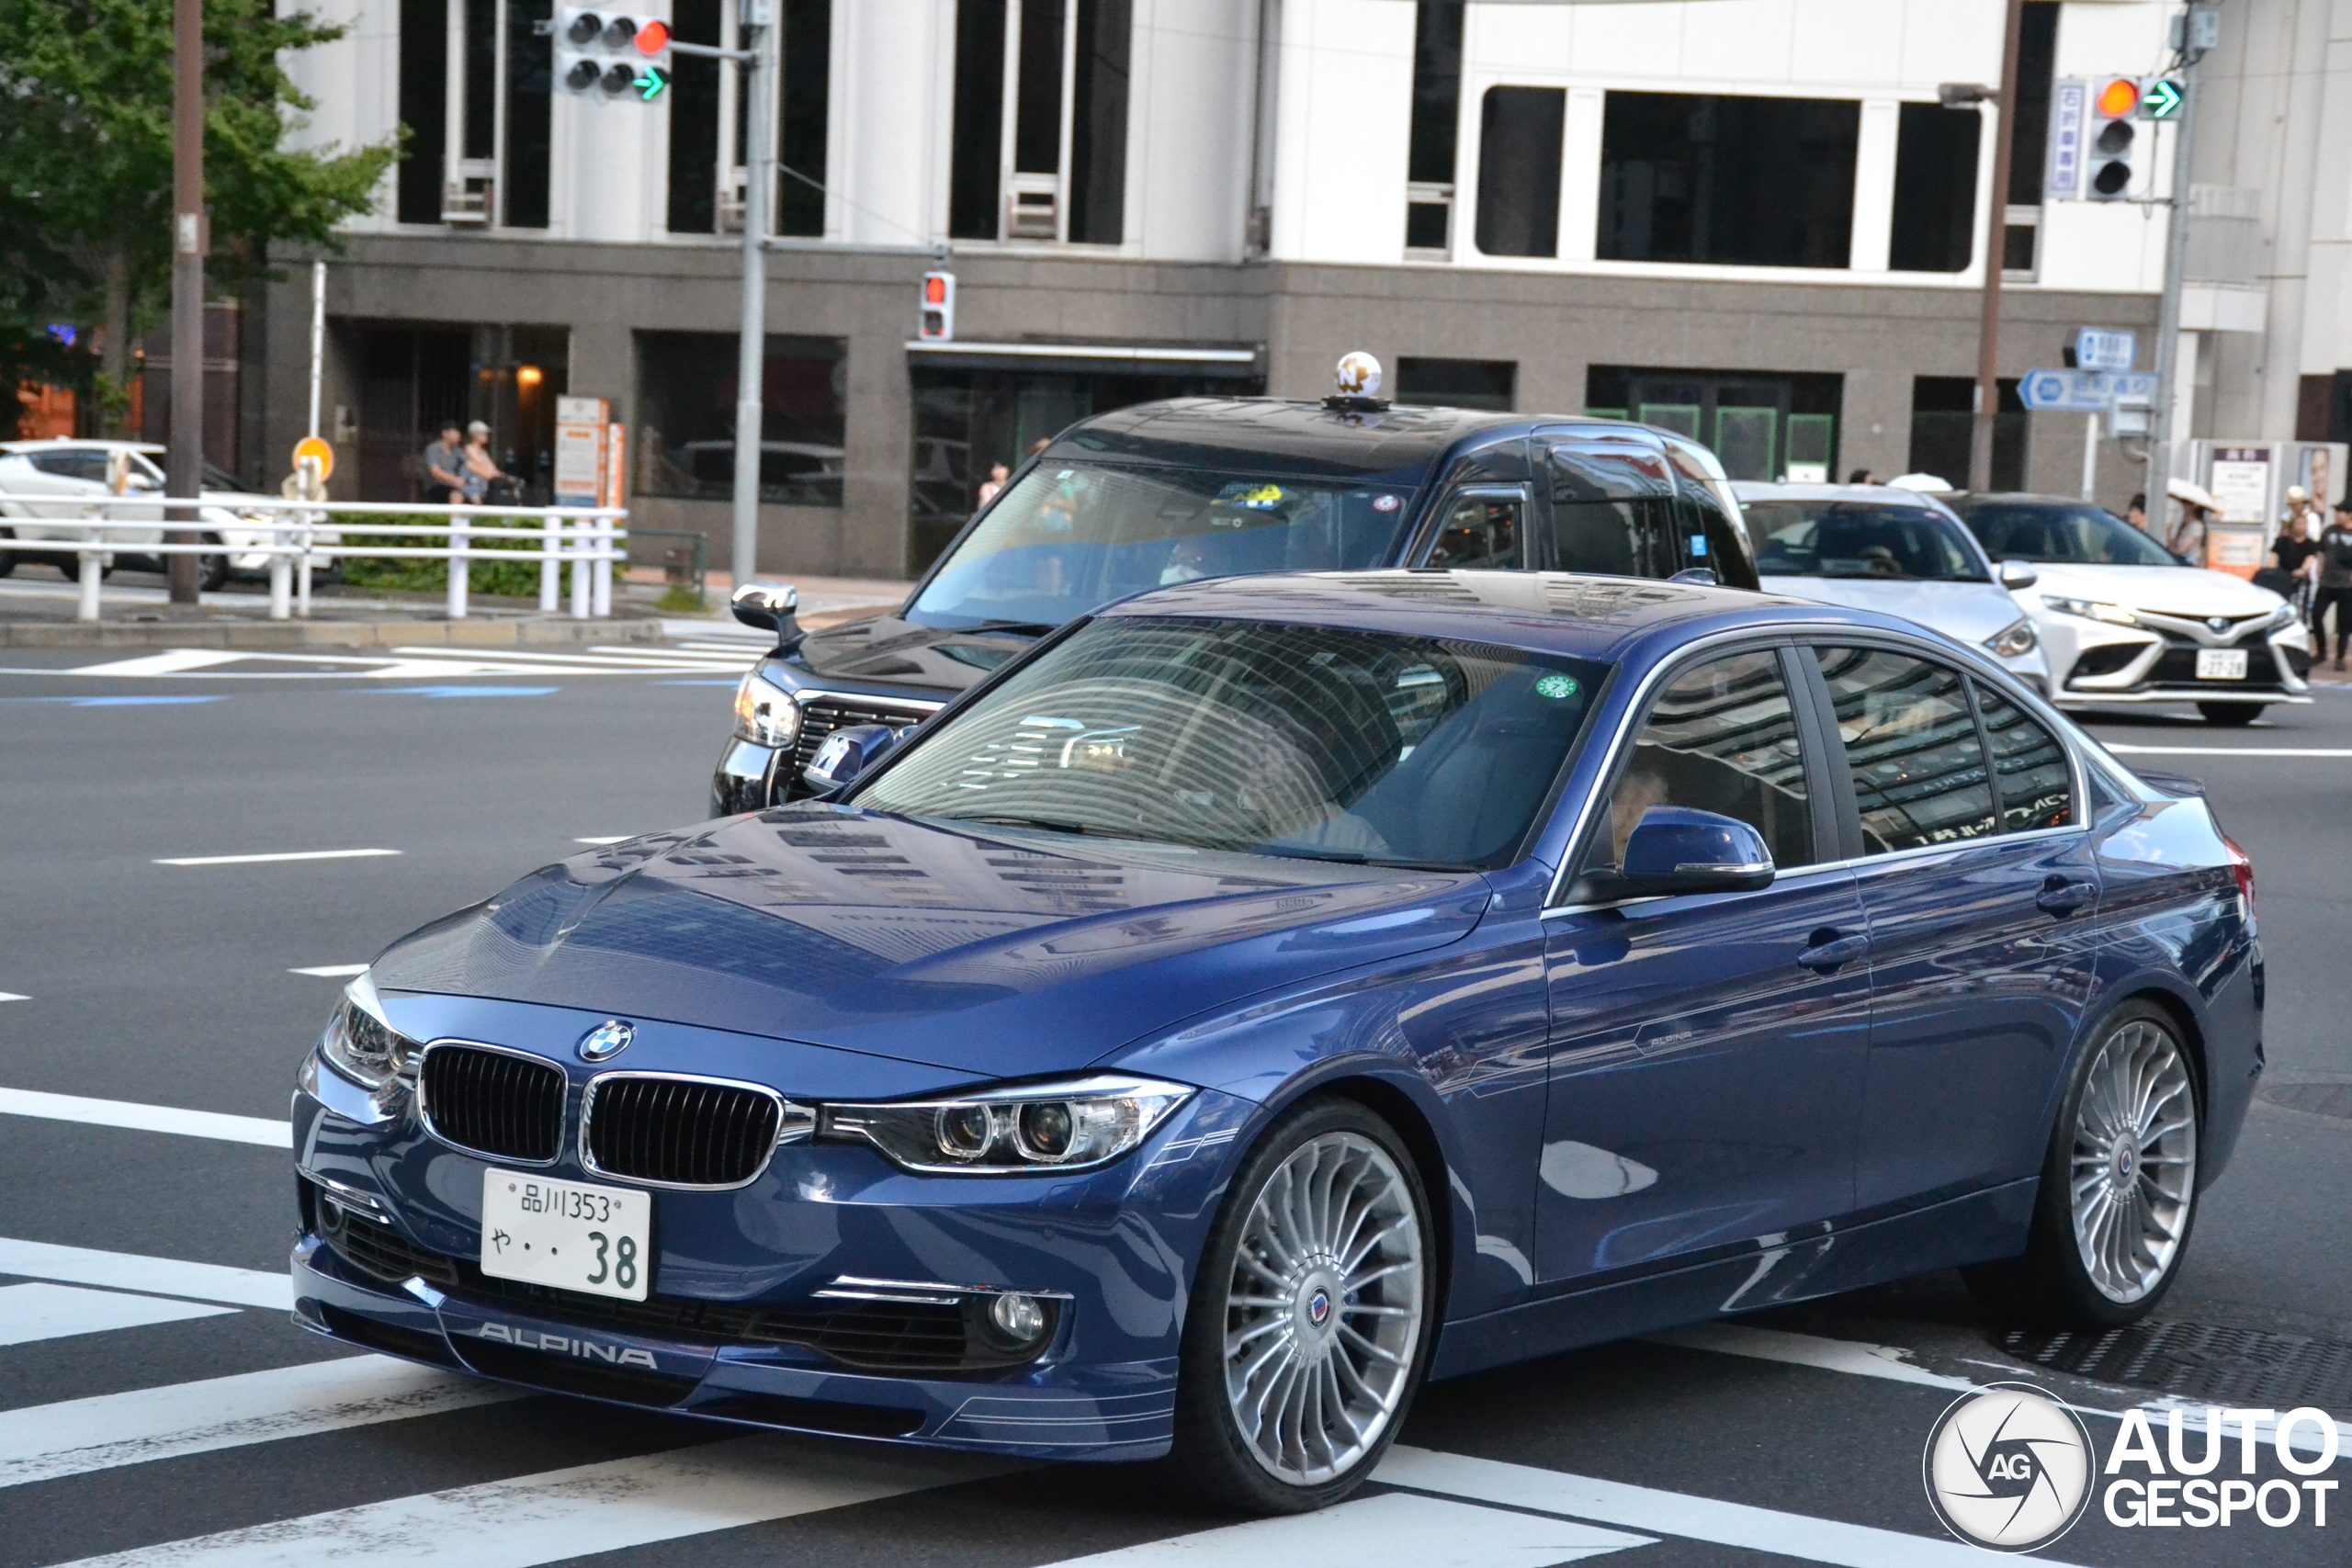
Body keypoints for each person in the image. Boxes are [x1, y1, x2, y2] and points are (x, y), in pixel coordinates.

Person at [2317, 497, 2352, 671]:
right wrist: (2319, 567)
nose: (2337, 515)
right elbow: (2321, 551)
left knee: (2344, 622)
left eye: (2341, 512)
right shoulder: (2329, 530)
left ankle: (2340, 657)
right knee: (2316, 615)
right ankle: (2321, 651)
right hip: (2326, 582)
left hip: (2346, 584)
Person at [458, 421, 505, 503]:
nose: (486, 436)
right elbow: (480, 464)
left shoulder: (483, 452)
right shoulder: (469, 448)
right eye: (483, 434)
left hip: (483, 484)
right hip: (471, 483)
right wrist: (490, 471)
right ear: (475, 435)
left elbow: (492, 468)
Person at [420, 423, 465, 503]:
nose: (459, 435)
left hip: (454, 485)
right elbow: (435, 472)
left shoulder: (457, 450)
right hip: (436, 486)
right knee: (456, 495)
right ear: (444, 433)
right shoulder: (433, 449)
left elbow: (469, 464)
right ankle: (454, 516)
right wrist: (454, 479)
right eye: (455, 432)